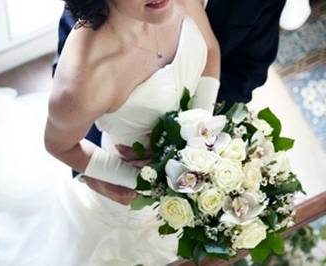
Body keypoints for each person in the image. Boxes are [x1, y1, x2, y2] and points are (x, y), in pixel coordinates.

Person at [52, 0, 287, 205]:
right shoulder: (85, 75)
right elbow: (62, 140)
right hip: (127, 176)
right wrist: (150, 180)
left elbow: (216, 54)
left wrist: (197, 141)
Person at [44, 0, 220, 264]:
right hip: (131, 201)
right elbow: (58, 145)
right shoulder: (82, 81)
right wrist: (149, 180)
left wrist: (198, 139)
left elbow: (210, 52)